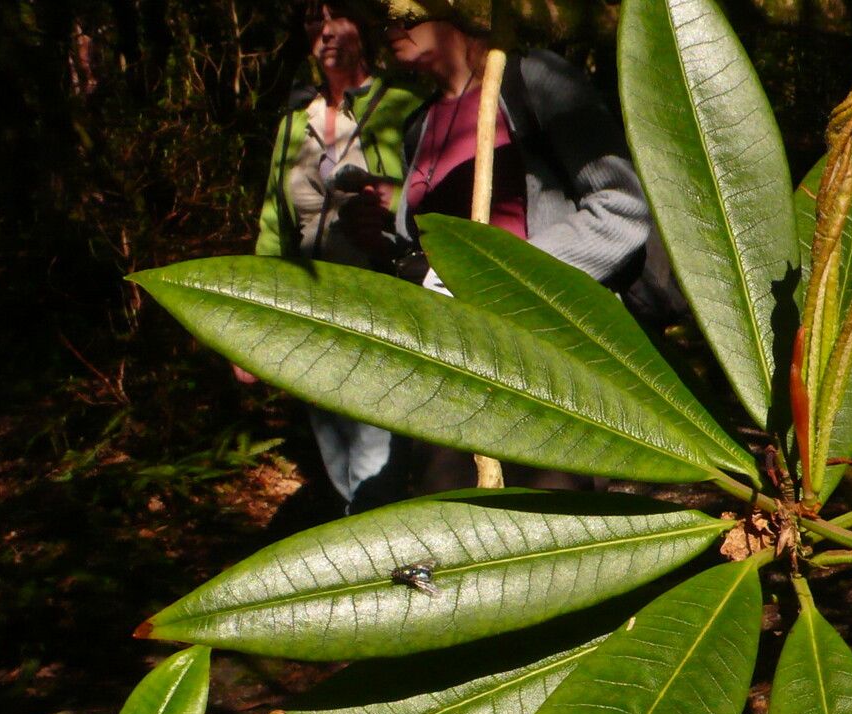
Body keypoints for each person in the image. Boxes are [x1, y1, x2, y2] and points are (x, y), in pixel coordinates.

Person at [363, 15, 655, 492]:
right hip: (448, 362)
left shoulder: (531, 79)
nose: (389, 21)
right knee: (452, 523)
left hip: (542, 356)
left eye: (406, 12)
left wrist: (494, 275)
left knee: (549, 526)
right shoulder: (420, 122)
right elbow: (426, 247)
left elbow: (621, 210)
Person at [242, 1, 422, 513]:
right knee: (338, 465)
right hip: (311, 317)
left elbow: (437, 197)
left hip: (383, 314)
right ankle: (366, 568)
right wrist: (255, 324)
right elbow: (275, 227)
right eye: (311, 22)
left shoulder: (406, 104)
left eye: (335, 17)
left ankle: (377, 571)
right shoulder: (292, 125)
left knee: (372, 472)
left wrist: (392, 206)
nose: (324, 33)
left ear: (361, 24)